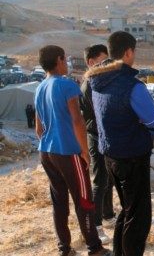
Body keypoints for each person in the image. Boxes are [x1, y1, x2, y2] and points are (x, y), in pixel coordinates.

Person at [87, 31, 154, 256]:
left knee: (127, 210)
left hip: (110, 154)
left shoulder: (97, 79)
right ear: (129, 52)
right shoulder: (132, 85)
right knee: (139, 218)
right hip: (133, 156)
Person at [34, 45, 110, 256]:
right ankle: (95, 248)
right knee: (84, 200)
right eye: (65, 59)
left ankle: (64, 249)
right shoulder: (66, 85)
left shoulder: (40, 87)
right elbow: (78, 120)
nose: (66, 63)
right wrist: (84, 152)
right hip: (68, 152)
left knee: (59, 202)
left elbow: (38, 128)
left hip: (46, 152)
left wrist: (51, 143)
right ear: (59, 60)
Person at [80, 44, 114, 245]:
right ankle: (96, 224)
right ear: (91, 62)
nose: (107, 65)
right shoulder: (90, 85)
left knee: (108, 178)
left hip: (104, 136)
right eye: (103, 62)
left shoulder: (98, 81)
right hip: (96, 136)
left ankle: (108, 215)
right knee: (100, 181)